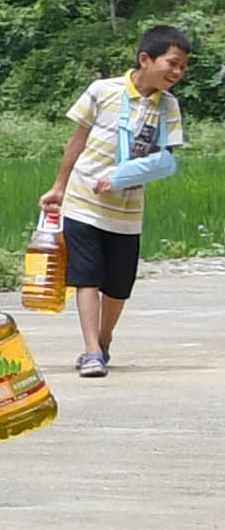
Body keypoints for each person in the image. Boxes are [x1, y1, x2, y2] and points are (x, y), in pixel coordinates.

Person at [49, 23, 194, 379]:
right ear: (145, 59)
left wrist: (119, 178)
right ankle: (91, 350)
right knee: (86, 277)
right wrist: (59, 187)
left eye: (182, 67)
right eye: (171, 63)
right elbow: (77, 139)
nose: (177, 72)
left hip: (127, 210)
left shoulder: (168, 107)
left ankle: (104, 339)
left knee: (118, 284)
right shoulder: (103, 91)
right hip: (83, 199)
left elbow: (165, 160)